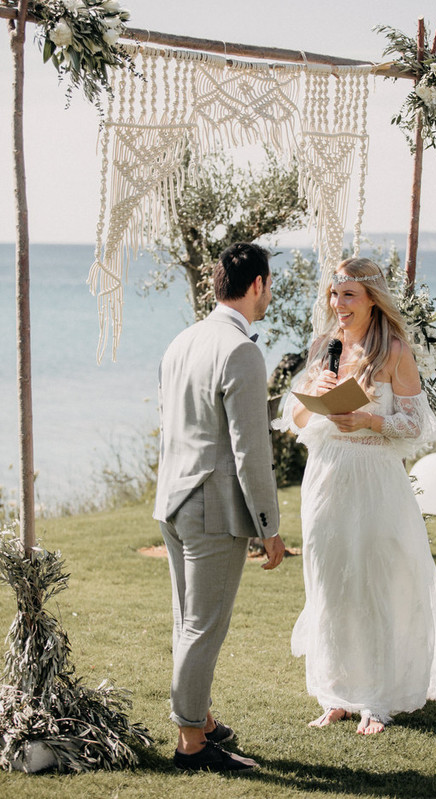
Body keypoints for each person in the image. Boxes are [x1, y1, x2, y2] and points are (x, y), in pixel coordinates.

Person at [278, 256, 436, 734]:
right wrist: (315, 393)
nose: (338, 304)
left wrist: (367, 418)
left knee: (375, 580)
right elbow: (296, 420)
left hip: (374, 476)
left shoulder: (394, 352)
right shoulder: (323, 346)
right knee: (330, 582)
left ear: (372, 300)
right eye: (333, 293)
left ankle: (376, 698)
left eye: (348, 295)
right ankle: (336, 692)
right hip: (326, 476)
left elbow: (416, 425)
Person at [154, 242, 286, 772]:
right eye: (269, 283)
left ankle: (200, 718)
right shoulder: (241, 350)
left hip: (173, 500)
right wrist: (268, 526)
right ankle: (191, 740)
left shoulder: (181, 341)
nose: (269, 291)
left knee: (187, 620)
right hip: (210, 508)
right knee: (203, 625)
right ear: (257, 285)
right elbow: (251, 450)